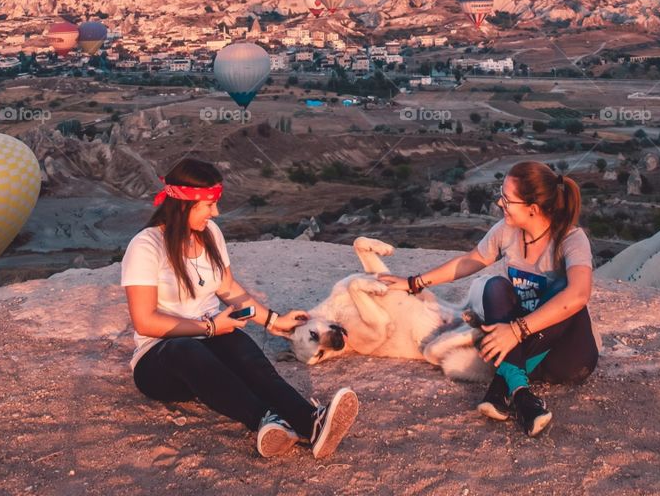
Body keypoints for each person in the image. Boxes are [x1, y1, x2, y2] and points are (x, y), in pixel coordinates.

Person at [121, 157, 359, 459]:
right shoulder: (146, 246)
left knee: (248, 357)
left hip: (210, 341)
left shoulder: (211, 234)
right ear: (185, 204)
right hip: (160, 360)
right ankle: (265, 421)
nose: (215, 212)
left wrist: (274, 320)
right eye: (209, 205)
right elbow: (145, 321)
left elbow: (229, 289)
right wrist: (209, 327)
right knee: (186, 349)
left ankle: (310, 423)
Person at [378, 160, 597, 436]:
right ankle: (521, 394)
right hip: (521, 351)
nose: (499, 202)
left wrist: (517, 330)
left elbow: (579, 295)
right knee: (495, 287)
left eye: (507, 198)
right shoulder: (506, 231)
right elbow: (472, 260)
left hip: (565, 358)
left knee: (565, 293)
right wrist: (413, 282)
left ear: (532, 209)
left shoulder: (570, 239)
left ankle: (500, 386)